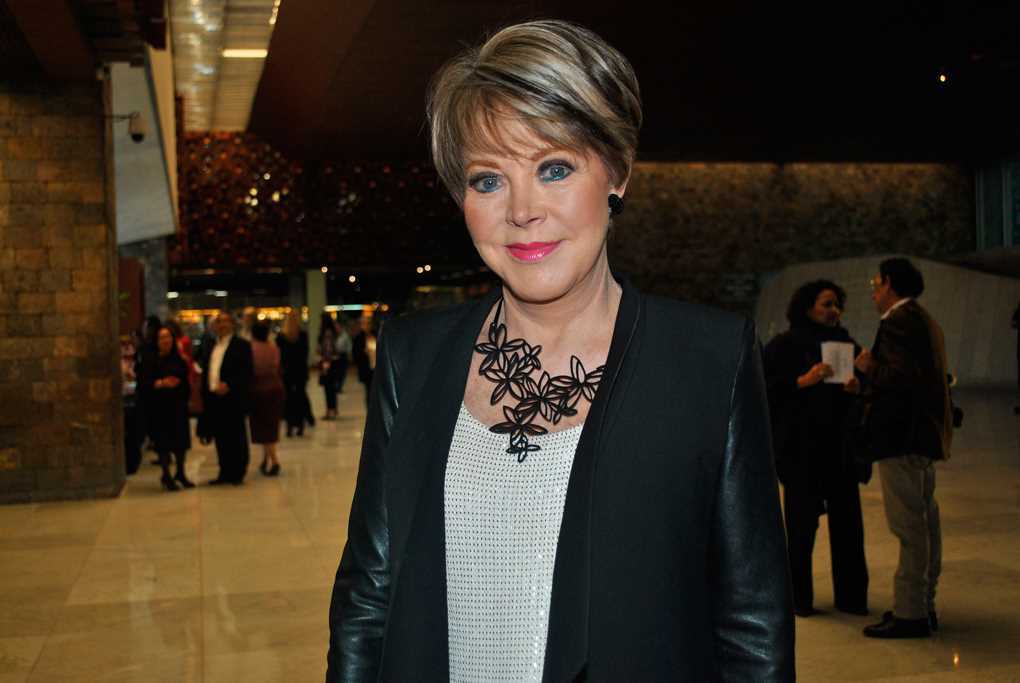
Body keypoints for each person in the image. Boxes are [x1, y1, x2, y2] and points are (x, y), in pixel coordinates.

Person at [326, 20, 793, 682]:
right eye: (488, 180)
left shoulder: (708, 360)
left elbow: (751, 626)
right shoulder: (413, 355)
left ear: (618, 173)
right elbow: (368, 597)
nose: (522, 210)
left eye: (554, 168)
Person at [856, 257, 952, 639]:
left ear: (890, 284)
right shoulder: (924, 319)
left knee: (909, 527)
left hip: (902, 437)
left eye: (876, 285)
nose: (874, 293)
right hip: (923, 436)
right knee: (925, 523)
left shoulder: (898, 321)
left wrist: (869, 367)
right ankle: (924, 604)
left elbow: (900, 379)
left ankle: (910, 613)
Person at [764, 280, 869, 618]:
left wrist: (858, 384)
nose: (834, 310)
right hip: (802, 450)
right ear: (808, 307)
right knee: (801, 528)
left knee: (848, 526)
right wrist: (802, 381)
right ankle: (798, 598)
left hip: (839, 448)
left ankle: (852, 598)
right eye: (827, 304)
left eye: (837, 304)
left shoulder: (845, 343)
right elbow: (763, 388)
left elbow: (863, 391)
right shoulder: (785, 345)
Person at [197, 311, 254, 486]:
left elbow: (246, 372)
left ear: (232, 324)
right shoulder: (212, 346)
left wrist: (230, 385)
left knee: (236, 435)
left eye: (225, 321)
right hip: (214, 398)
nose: (221, 325)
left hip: (232, 398)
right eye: (219, 322)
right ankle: (224, 470)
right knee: (220, 436)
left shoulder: (241, 345)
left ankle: (238, 471)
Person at [138, 325, 194, 490]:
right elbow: (144, 383)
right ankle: (166, 475)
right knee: (163, 442)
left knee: (180, 442)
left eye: (168, 337)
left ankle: (181, 473)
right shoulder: (150, 360)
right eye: (162, 338)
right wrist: (161, 383)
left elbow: (185, 381)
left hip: (177, 406)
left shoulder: (179, 359)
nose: (165, 341)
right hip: (159, 408)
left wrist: (178, 385)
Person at [250, 322, 285, 476]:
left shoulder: (252, 349)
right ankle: (265, 459)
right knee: (271, 425)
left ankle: (274, 461)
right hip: (275, 389)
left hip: (259, 391)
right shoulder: (273, 348)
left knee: (264, 428)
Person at [277, 311, 314, 436]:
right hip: (299, 372)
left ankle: (290, 426)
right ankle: (299, 425)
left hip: (288, 372)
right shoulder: (302, 335)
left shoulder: (281, 337)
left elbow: (280, 356)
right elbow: (305, 354)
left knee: (289, 399)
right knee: (299, 398)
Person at [318, 321, 340, 420]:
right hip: (333, 365)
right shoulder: (333, 335)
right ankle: (333, 410)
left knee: (328, 390)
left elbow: (328, 352)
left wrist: (325, 364)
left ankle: (330, 411)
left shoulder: (327, 336)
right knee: (331, 390)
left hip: (328, 365)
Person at [334, 320, 352, 394]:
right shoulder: (337, 335)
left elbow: (349, 346)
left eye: (337, 327)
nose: (336, 329)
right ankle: (337, 386)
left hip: (343, 355)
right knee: (338, 372)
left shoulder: (345, 336)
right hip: (337, 355)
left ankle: (339, 387)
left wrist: (348, 355)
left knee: (342, 372)